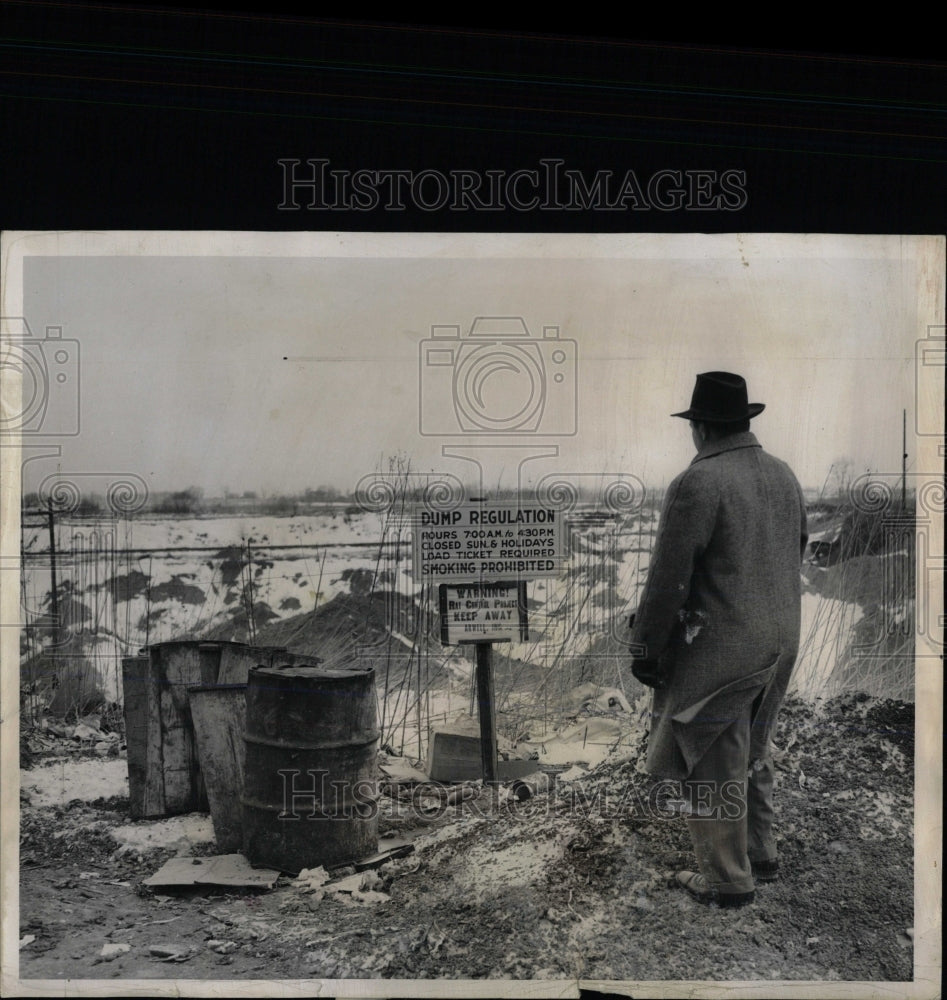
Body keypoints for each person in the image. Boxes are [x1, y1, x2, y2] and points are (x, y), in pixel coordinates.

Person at [629, 371, 808, 908]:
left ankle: (727, 879)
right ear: (741, 421)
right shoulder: (784, 475)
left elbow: (668, 579)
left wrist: (646, 648)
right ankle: (761, 852)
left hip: (726, 646)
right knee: (753, 743)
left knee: (710, 748)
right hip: (781, 640)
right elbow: (794, 548)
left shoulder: (697, 483)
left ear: (701, 427)